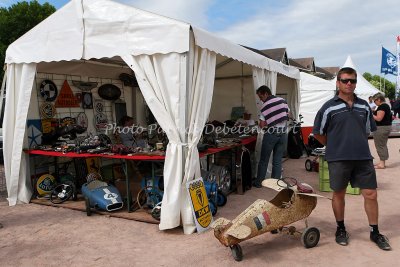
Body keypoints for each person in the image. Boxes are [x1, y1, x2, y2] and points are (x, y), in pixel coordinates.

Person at [313, 67, 391, 251]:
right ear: (338, 82)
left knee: (371, 194)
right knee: (339, 194)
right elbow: (318, 133)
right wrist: (334, 146)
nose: (349, 83)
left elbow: (367, 130)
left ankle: (375, 231)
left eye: (353, 81)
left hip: (363, 157)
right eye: (346, 80)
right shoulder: (328, 107)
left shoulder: (364, 105)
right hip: (338, 158)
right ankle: (340, 229)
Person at [253, 85, 289, 188]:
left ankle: (259, 182)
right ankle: (275, 183)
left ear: (265, 93)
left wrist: (262, 122)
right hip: (283, 134)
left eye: (261, 97)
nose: (261, 100)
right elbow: (288, 115)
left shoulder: (266, 106)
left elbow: (262, 124)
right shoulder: (283, 101)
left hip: (271, 134)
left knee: (264, 160)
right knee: (277, 160)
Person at [372, 93, 392, 169]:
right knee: (382, 145)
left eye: (375, 101)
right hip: (385, 127)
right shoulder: (386, 106)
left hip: (381, 128)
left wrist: (371, 114)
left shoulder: (382, 106)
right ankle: (382, 161)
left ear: (379, 99)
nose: (374, 102)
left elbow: (379, 118)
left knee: (380, 145)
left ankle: (382, 164)